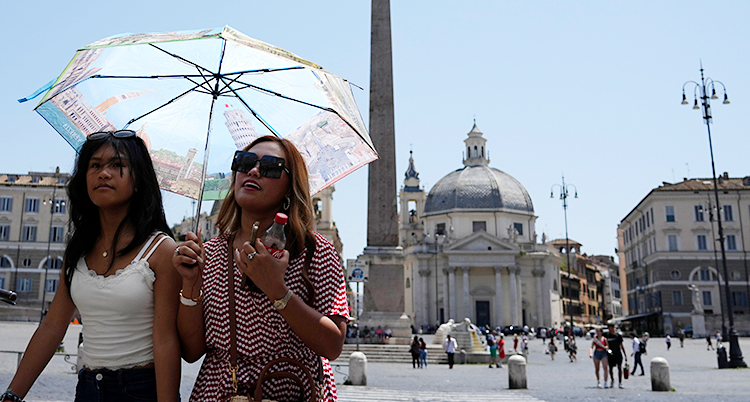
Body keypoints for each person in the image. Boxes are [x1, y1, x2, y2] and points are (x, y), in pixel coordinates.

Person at [1, 130, 182, 402]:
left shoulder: (161, 249)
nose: (104, 173)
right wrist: (12, 395)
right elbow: (52, 326)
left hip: (141, 389)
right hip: (87, 388)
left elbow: (166, 339)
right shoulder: (78, 250)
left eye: (117, 165)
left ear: (138, 181)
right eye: (94, 165)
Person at [174, 136, 349, 401]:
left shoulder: (316, 251)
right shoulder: (209, 254)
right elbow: (191, 351)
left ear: (290, 188)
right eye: (244, 163)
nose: (253, 171)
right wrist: (190, 285)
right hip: (222, 392)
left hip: (295, 389)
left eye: (270, 167)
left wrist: (277, 290)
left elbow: (333, 345)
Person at [606, 324, 627, 389]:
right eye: (609, 328)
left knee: (619, 368)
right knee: (610, 368)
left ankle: (620, 382)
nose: (610, 329)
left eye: (611, 327)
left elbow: (621, 346)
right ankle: (612, 380)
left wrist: (625, 355)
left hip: (618, 353)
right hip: (610, 353)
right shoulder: (607, 335)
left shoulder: (618, 336)